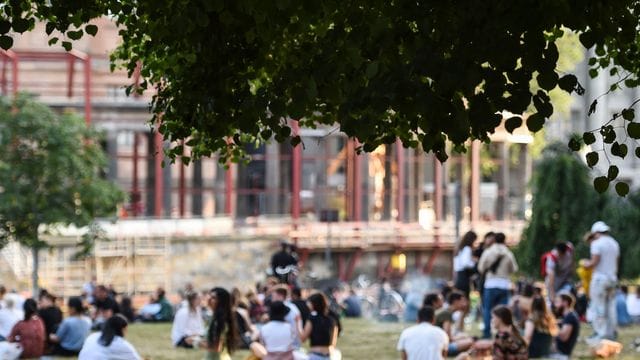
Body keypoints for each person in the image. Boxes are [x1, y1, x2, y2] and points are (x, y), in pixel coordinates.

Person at [580, 221, 620, 340]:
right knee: (611, 306)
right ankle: (612, 332)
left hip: (600, 279)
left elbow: (595, 261)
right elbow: (616, 263)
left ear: (596, 232)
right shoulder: (614, 243)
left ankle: (600, 333)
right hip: (612, 278)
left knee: (598, 306)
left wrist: (586, 264)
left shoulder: (597, 243)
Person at [477, 232, 518, 338]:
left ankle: (487, 333)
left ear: (494, 240)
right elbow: (514, 269)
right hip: (504, 284)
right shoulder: (508, 253)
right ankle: (504, 333)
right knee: (503, 311)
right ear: (504, 240)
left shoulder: (488, 251)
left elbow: (481, 268)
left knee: (487, 309)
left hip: (490, 284)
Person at [434, 291, 473, 357]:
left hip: (439, 344)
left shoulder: (447, 311)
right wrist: (459, 338)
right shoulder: (447, 314)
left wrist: (463, 314)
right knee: (471, 342)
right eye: (463, 301)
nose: (466, 304)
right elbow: (447, 338)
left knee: (464, 336)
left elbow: (459, 329)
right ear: (455, 301)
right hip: (440, 347)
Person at [301, 292, 339, 360]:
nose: (307, 305)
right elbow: (333, 343)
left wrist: (297, 323)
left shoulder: (312, 318)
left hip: (316, 355)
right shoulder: (332, 320)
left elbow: (303, 338)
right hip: (329, 356)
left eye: (309, 303)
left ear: (314, 304)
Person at [204, 287, 238, 360]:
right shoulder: (215, 318)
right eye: (209, 295)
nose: (209, 299)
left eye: (213, 298)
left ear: (221, 302)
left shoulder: (219, 322)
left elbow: (216, 347)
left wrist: (195, 343)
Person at [271, 285, 303, 350]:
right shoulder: (292, 306)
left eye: (273, 297)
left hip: (289, 346)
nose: (272, 299)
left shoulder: (284, 309)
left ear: (280, 296)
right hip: (294, 344)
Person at [552, 293, 580, 359]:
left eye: (557, 302)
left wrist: (551, 327)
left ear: (565, 303)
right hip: (558, 350)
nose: (555, 305)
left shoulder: (570, 317)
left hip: (561, 352)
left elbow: (563, 337)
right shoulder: (568, 316)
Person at [453, 231, 477, 298]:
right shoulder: (467, 249)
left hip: (459, 277)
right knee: (464, 299)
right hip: (464, 277)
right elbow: (466, 263)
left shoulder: (459, 249)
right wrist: (474, 262)